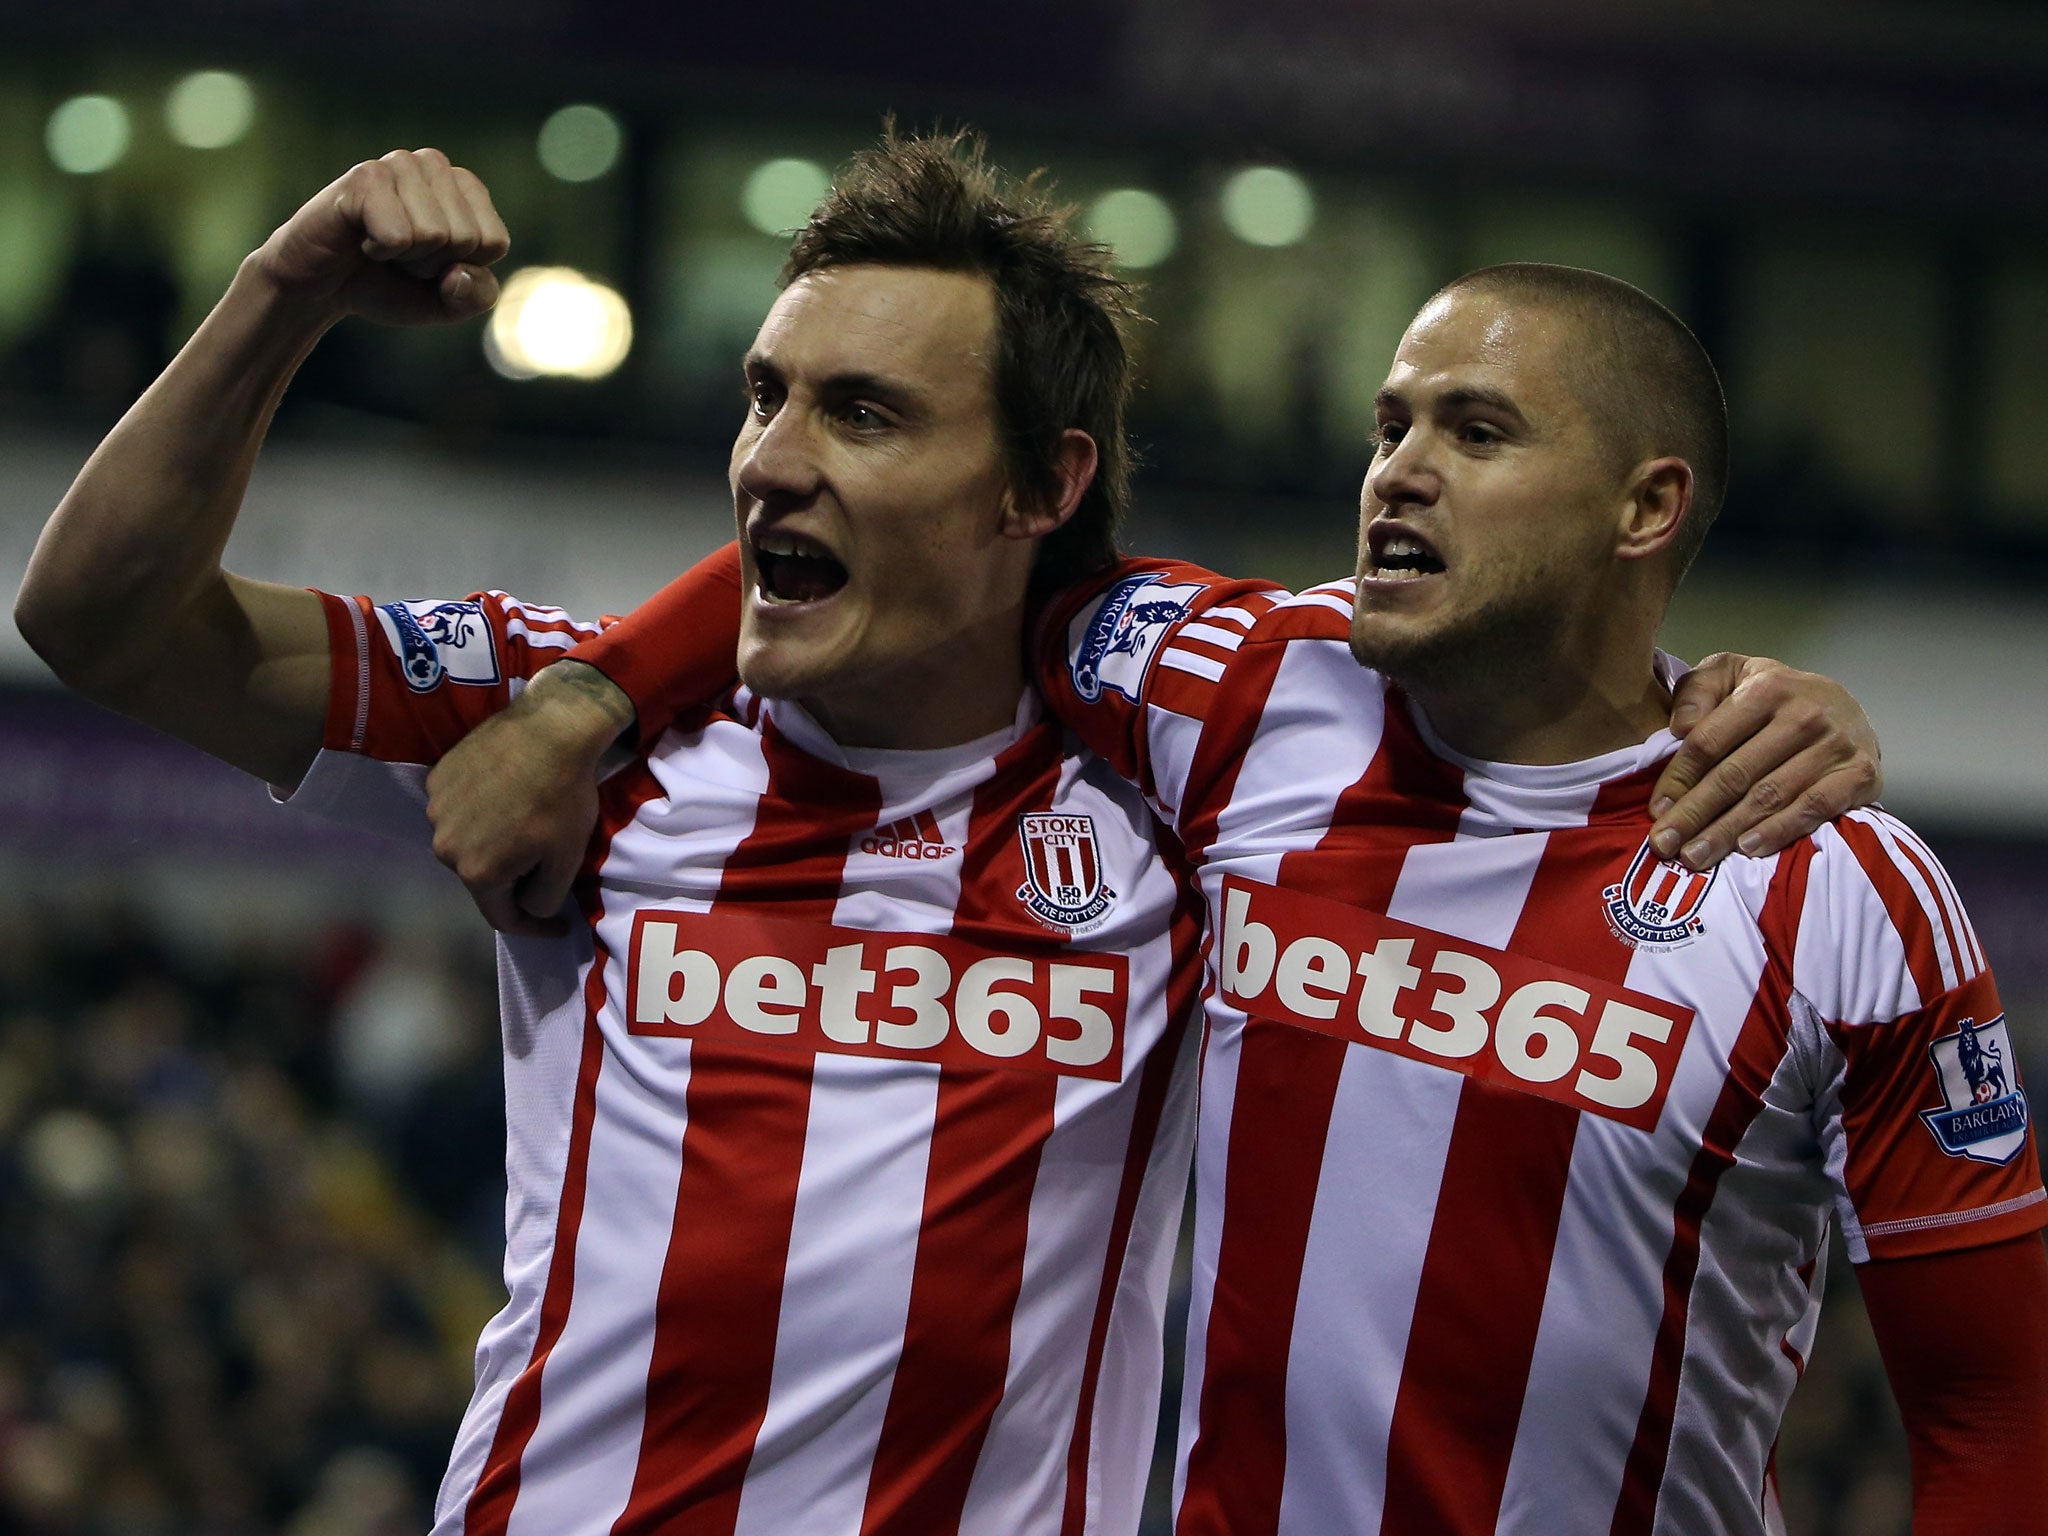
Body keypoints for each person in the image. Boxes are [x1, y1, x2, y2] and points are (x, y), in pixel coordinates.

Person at [433, 264, 2047, 1532]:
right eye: (1389, 426)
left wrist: (1775, 692)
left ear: (1646, 509)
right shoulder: (1238, 688)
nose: (1401, 473)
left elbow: (1996, 1418)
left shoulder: (1836, 887)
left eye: (1475, 435)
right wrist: (590, 699)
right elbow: (929, 544)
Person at [17, 135, 1214, 1536]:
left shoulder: (1184, 801)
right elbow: (100, 620)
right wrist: (285, 291)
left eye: (864, 414)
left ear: (1044, 486)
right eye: (765, 397)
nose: (772, 460)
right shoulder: (548, 718)